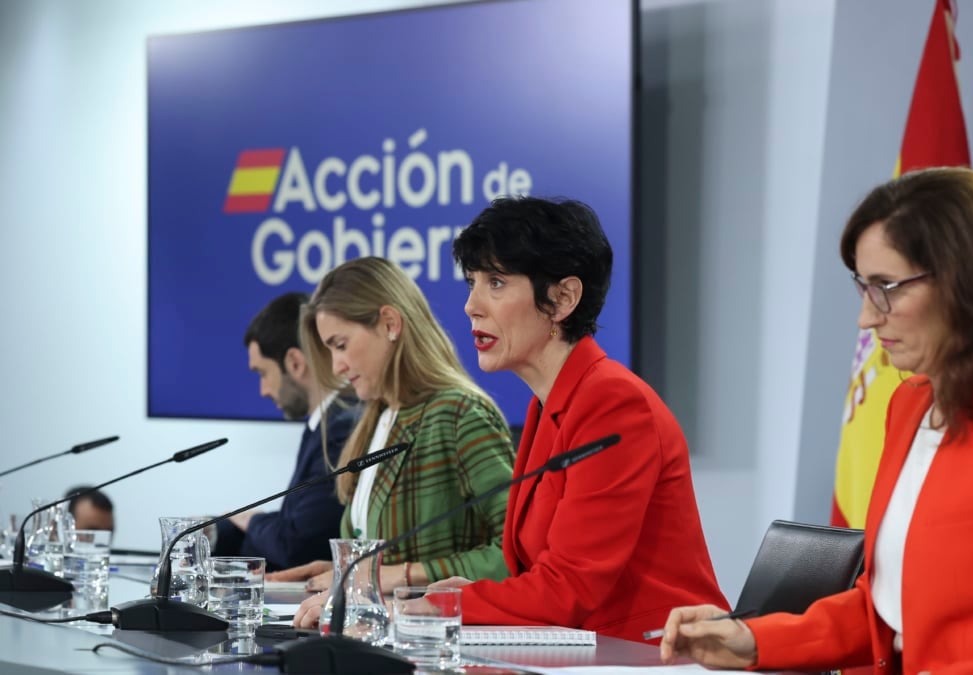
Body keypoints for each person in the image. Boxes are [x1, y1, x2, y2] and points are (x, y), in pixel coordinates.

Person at [659, 168, 973, 673]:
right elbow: (889, 612)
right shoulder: (910, 406)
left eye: (888, 287)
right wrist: (753, 640)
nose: (867, 317)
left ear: (971, 283)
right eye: (864, 287)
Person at [429, 196, 727, 643]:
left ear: (563, 298)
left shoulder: (613, 402)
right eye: (472, 282)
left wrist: (445, 606)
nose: (472, 305)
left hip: (656, 657)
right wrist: (474, 594)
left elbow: (570, 587)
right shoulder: (549, 403)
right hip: (584, 651)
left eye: (495, 282)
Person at [286, 257, 515, 625]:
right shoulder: (376, 419)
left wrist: (397, 574)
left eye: (340, 344)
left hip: (434, 647)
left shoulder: (459, 412)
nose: (336, 367)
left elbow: (515, 556)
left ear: (390, 324)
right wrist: (343, 572)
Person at [214, 292, 357, 571]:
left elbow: (298, 545)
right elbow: (291, 528)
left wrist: (251, 520)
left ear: (294, 362)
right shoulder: (321, 424)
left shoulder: (341, 428)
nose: (263, 390)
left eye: (262, 373)